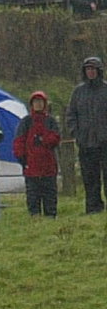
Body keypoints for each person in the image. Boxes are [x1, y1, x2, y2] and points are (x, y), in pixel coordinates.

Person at [66, 55, 107, 212]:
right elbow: (71, 115)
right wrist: (77, 134)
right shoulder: (78, 92)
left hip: (105, 142)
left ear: (99, 71)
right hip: (86, 143)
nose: (90, 72)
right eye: (88, 69)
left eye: (93, 69)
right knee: (90, 178)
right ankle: (93, 207)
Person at [13, 91, 61, 216]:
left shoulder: (50, 121)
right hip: (31, 167)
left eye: (40, 102)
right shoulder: (26, 122)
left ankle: (50, 217)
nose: (38, 104)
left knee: (50, 195)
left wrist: (42, 139)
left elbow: (55, 138)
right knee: (33, 195)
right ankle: (35, 218)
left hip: (48, 166)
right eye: (36, 102)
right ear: (31, 104)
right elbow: (19, 142)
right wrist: (22, 159)